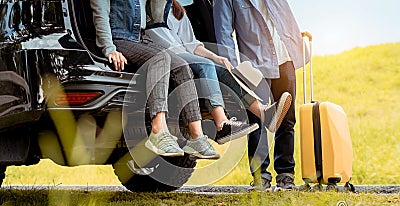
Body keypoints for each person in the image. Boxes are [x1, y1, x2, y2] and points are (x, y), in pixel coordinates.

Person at [145, 0, 291, 144]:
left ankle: (263, 112)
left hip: (184, 55)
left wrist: (217, 57)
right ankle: (221, 122)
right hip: (165, 55)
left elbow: (192, 44)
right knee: (205, 64)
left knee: (221, 67)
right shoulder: (148, 7)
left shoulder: (177, 10)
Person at [90, 0, 221, 159]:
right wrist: (109, 48)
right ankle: (158, 130)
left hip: (139, 39)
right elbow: (100, 14)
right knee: (161, 59)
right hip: (119, 39)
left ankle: (196, 137)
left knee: (182, 65)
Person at [214, 0, 309, 190]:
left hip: (285, 59)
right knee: (257, 121)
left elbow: (286, 17)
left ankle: (286, 175)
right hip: (254, 65)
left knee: (287, 119)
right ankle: (261, 177)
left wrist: (297, 43)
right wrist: (234, 70)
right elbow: (223, 33)